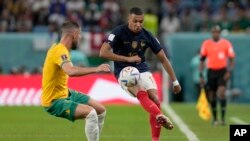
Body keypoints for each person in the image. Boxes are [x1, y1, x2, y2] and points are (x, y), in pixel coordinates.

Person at [99, 7, 181, 141]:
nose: (138, 25)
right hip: (123, 71)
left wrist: (175, 81)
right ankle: (160, 116)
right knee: (138, 91)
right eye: (135, 21)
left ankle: (156, 136)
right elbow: (103, 52)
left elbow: (163, 59)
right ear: (128, 19)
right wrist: (127, 59)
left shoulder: (148, 35)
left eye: (141, 22)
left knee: (155, 98)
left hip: (142, 69)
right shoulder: (118, 32)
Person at [41, 21, 110, 141]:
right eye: (79, 35)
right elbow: (71, 71)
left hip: (65, 93)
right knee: (91, 114)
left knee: (101, 110)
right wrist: (96, 69)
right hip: (54, 101)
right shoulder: (60, 51)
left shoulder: (60, 49)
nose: (80, 38)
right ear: (74, 34)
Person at [199, 25, 235, 126]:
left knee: (221, 93)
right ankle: (215, 119)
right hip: (211, 72)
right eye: (214, 32)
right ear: (211, 33)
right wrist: (201, 75)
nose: (215, 33)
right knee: (212, 95)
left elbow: (232, 59)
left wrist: (229, 71)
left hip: (222, 71)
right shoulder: (206, 44)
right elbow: (202, 60)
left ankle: (223, 118)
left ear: (219, 33)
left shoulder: (226, 44)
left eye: (217, 32)